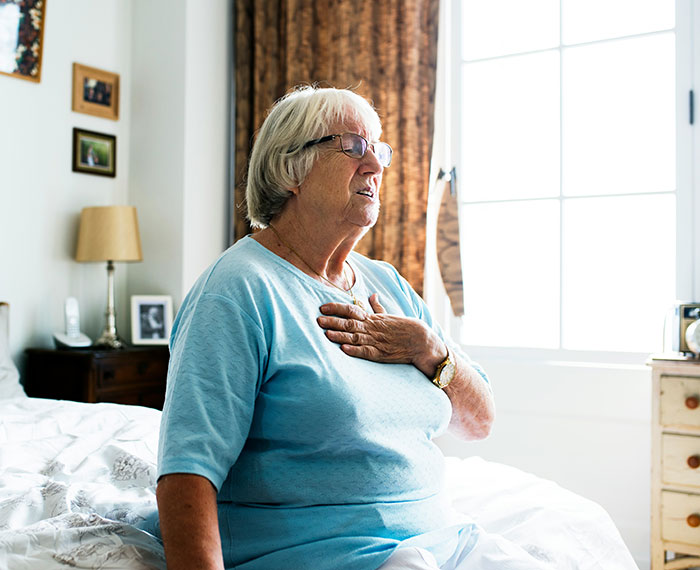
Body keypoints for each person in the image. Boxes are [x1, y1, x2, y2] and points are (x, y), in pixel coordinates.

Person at [156, 86, 540, 570]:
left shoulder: (386, 282)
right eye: (354, 147)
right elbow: (188, 470)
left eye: (378, 149)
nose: (376, 166)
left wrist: (428, 348)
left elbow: (479, 422)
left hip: (443, 539)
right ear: (289, 169)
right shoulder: (237, 290)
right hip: (330, 555)